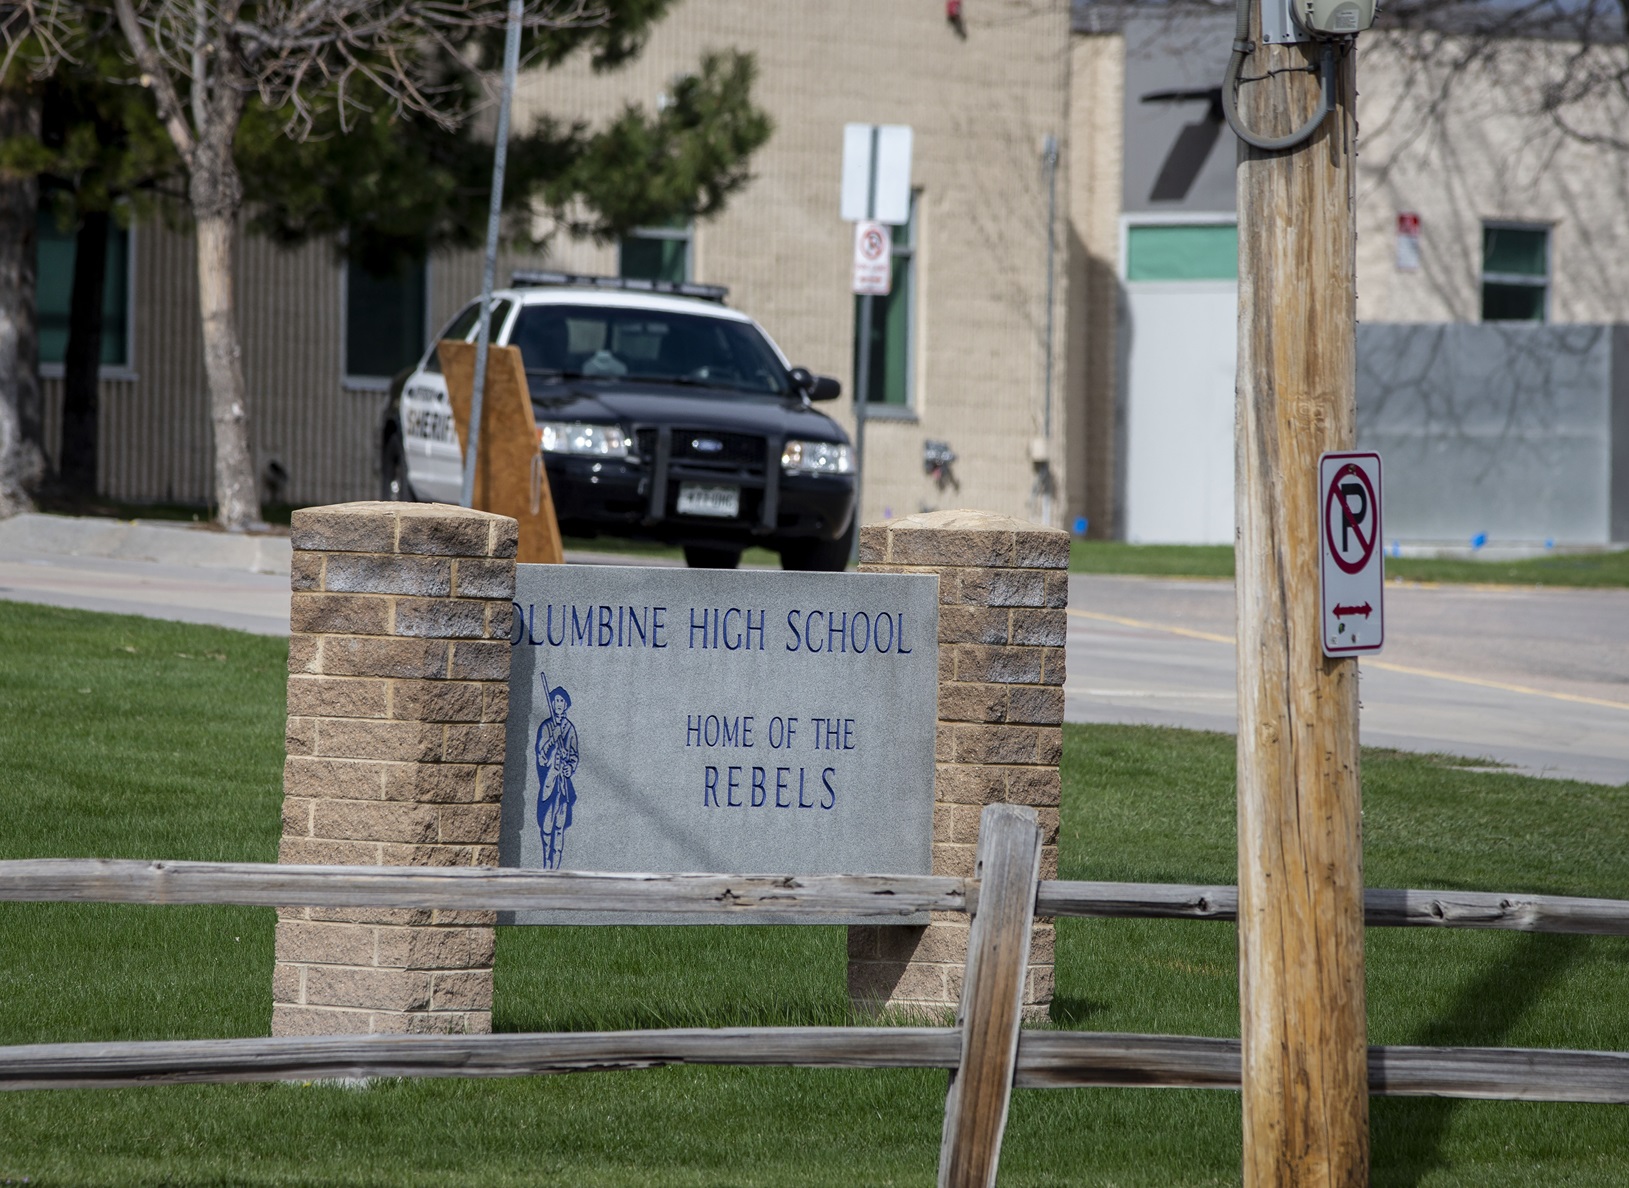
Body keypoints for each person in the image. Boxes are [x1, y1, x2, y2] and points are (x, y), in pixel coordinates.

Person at [535, 677, 579, 869]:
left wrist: (570, 767)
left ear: (566, 704)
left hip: (563, 786)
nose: (559, 704)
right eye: (556, 700)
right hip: (549, 783)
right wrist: (552, 740)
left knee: (560, 828)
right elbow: (541, 757)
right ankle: (545, 864)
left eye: (562, 701)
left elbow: (574, 756)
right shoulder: (546, 727)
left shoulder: (570, 729)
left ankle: (556, 869)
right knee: (546, 827)